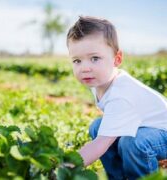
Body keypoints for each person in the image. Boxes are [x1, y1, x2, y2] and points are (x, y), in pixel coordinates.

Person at [66, 16, 167, 180]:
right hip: (145, 127)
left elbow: (100, 145)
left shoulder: (121, 95)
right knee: (97, 127)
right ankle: (117, 176)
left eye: (95, 58)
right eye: (77, 60)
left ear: (117, 59)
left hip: (163, 133)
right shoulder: (100, 81)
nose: (85, 68)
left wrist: (65, 166)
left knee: (133, 142)